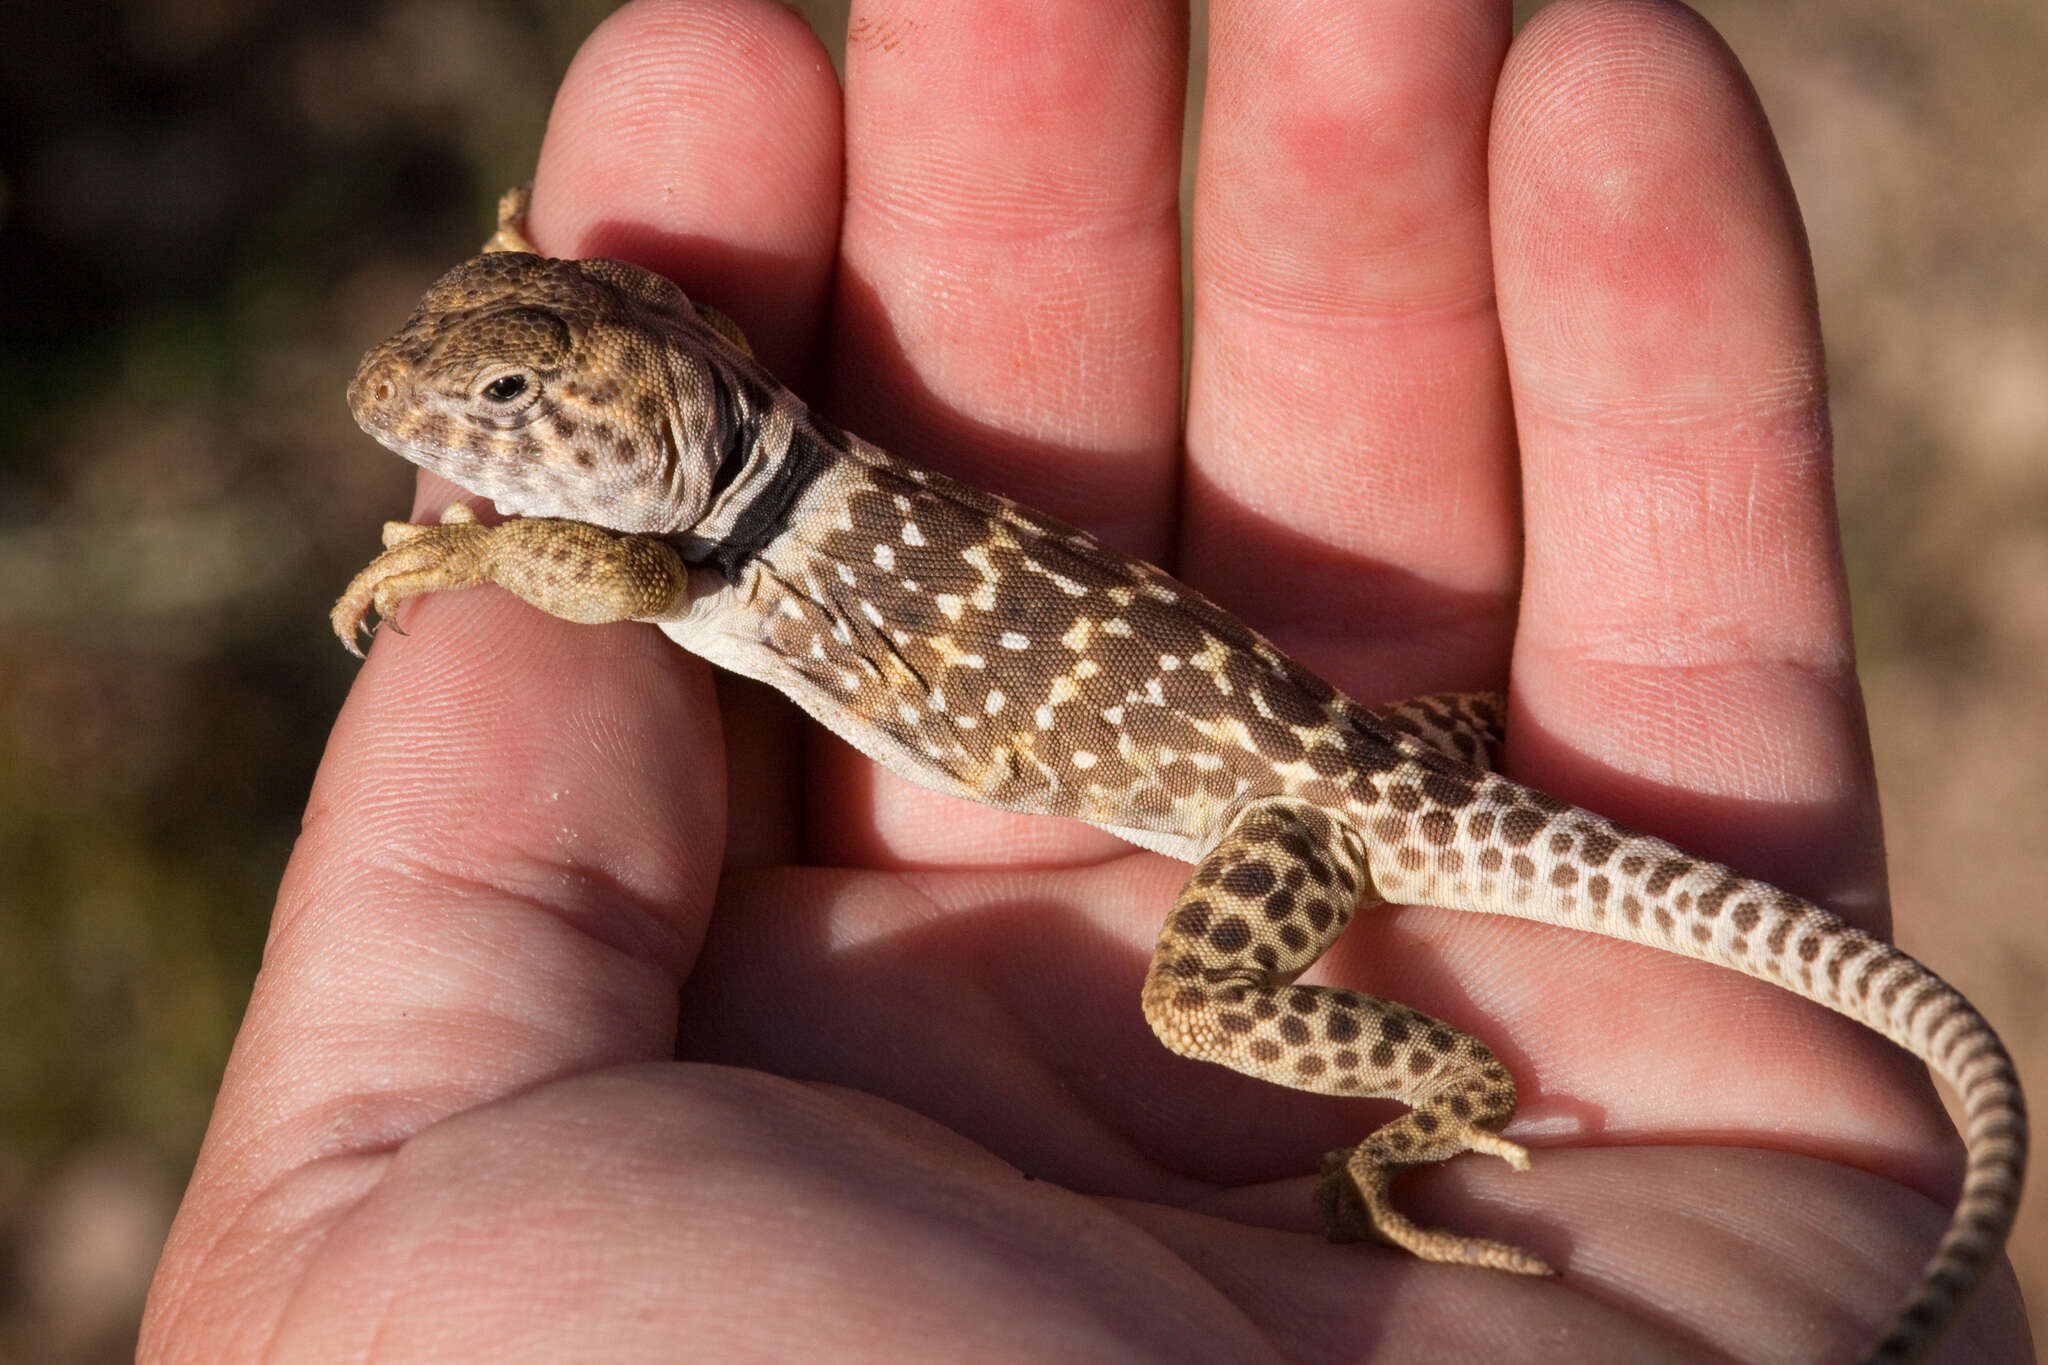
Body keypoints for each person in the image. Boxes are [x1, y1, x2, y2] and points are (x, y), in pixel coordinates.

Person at [140, 1, 2028, 1359]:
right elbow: (652, 448)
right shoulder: (735, 466)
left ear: (659, 384)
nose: (455, 428)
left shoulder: (663, 541)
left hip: (1310, 799)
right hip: (1360, 751)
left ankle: (1445, 1092)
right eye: (490, 399)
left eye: (508, 403)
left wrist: (467, 543)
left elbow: (603, 568)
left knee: (1200, 1012)